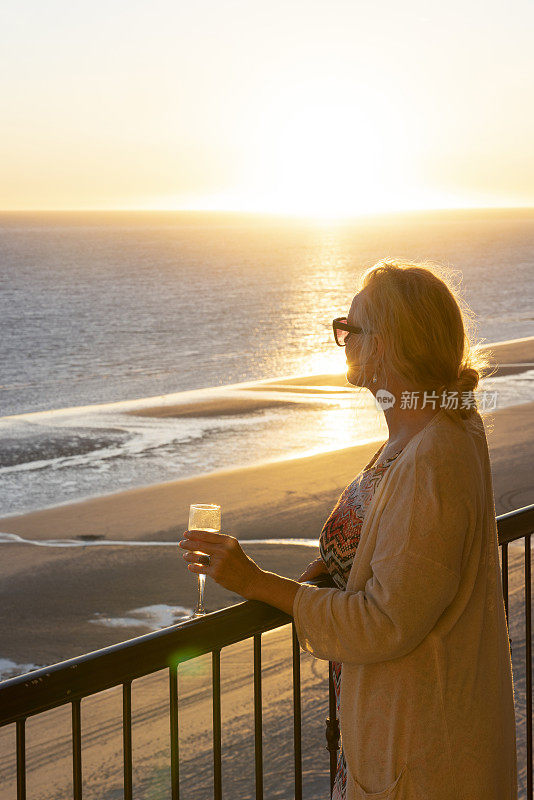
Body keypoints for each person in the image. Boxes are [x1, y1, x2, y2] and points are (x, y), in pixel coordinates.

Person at [179, 258, 518, 800]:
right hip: (401, 731)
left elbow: (386, 622)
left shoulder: (433, 456)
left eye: (348, 329)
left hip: (420, 749)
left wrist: (256, 582)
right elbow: (405, 561)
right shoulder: (431, 427)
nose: (341, 340)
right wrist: (341, 569)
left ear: (384, 345)